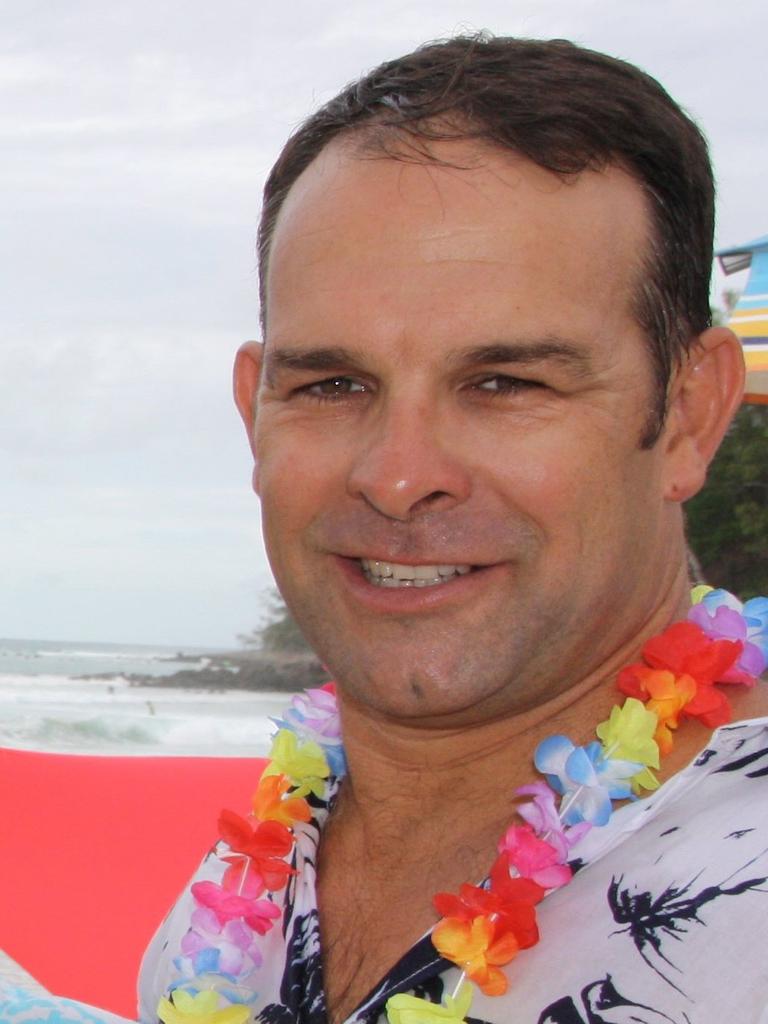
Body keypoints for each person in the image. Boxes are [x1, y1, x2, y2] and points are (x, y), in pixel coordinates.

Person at [0, 32, 752, 1024]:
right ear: (253, 410)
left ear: (691, 410)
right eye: (334, 383)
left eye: (505, 382)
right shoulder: (238, 899)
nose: (399, 476)